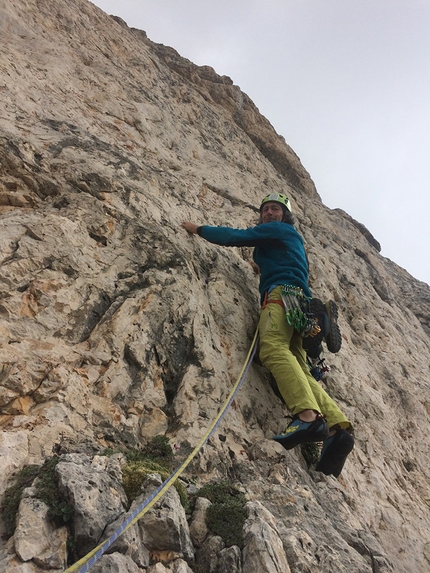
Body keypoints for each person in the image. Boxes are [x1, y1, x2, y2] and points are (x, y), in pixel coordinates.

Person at [182, 193, 354, 478]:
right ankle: (338, 429)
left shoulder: (277, 230)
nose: (269, 213)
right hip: (299, 303)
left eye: (276, 209)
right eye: (265, 209)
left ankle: (307, 418)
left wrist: (199, 229)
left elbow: (236, 236)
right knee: (301, 366)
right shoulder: (290, 239)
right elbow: (280, 262)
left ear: (285, 215)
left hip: (280, 297)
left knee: (272, 348)